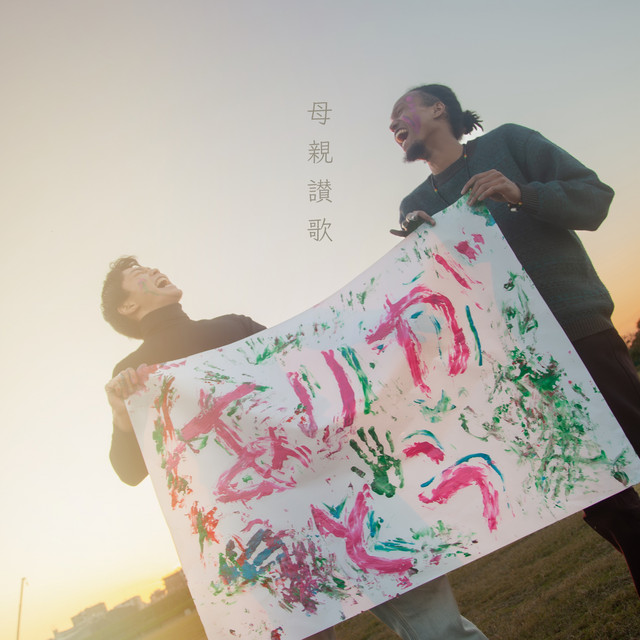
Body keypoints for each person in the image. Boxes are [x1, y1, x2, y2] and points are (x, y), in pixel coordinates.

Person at [102, 256, 488, 640]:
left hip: (342, 493)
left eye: (149, 266)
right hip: (267, 531)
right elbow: (129, 471)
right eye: (138, 274)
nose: (153, 270)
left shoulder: (235, 326)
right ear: (127, 306)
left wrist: (408, 312)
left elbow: (310, 361)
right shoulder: (135, 374)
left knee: (440, 628)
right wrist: (122, 413)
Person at [388, 83, 640, 596]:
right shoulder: (413, 205)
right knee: (598, 494)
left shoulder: (509, 143)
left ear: (439, 108)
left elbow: (595, 198)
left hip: (577, 327)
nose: (393, 125)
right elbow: (439, 296)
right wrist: (419, 254)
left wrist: (521, 193)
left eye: (401, 112)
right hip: (518, 363)